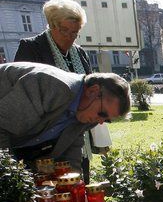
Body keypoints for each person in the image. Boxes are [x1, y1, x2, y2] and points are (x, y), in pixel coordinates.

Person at [15, 0, 110, 183]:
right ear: (52, 25)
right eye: (64, 30)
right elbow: (23, 96)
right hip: (42, 137)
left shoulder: (80, 53)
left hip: (74, 134)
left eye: (74, 33)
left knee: (77, 181)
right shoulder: (32, 48)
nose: (69, 37)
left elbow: (88, 91)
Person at [0, 62, 130, 169]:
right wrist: (15, 177)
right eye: (102, 113)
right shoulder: (52, 86)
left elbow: (71, 155)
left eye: (106, 120)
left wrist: (75, 189)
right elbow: (2, 129)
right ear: (92, 91)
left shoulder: (87, 114)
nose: (100, 122)